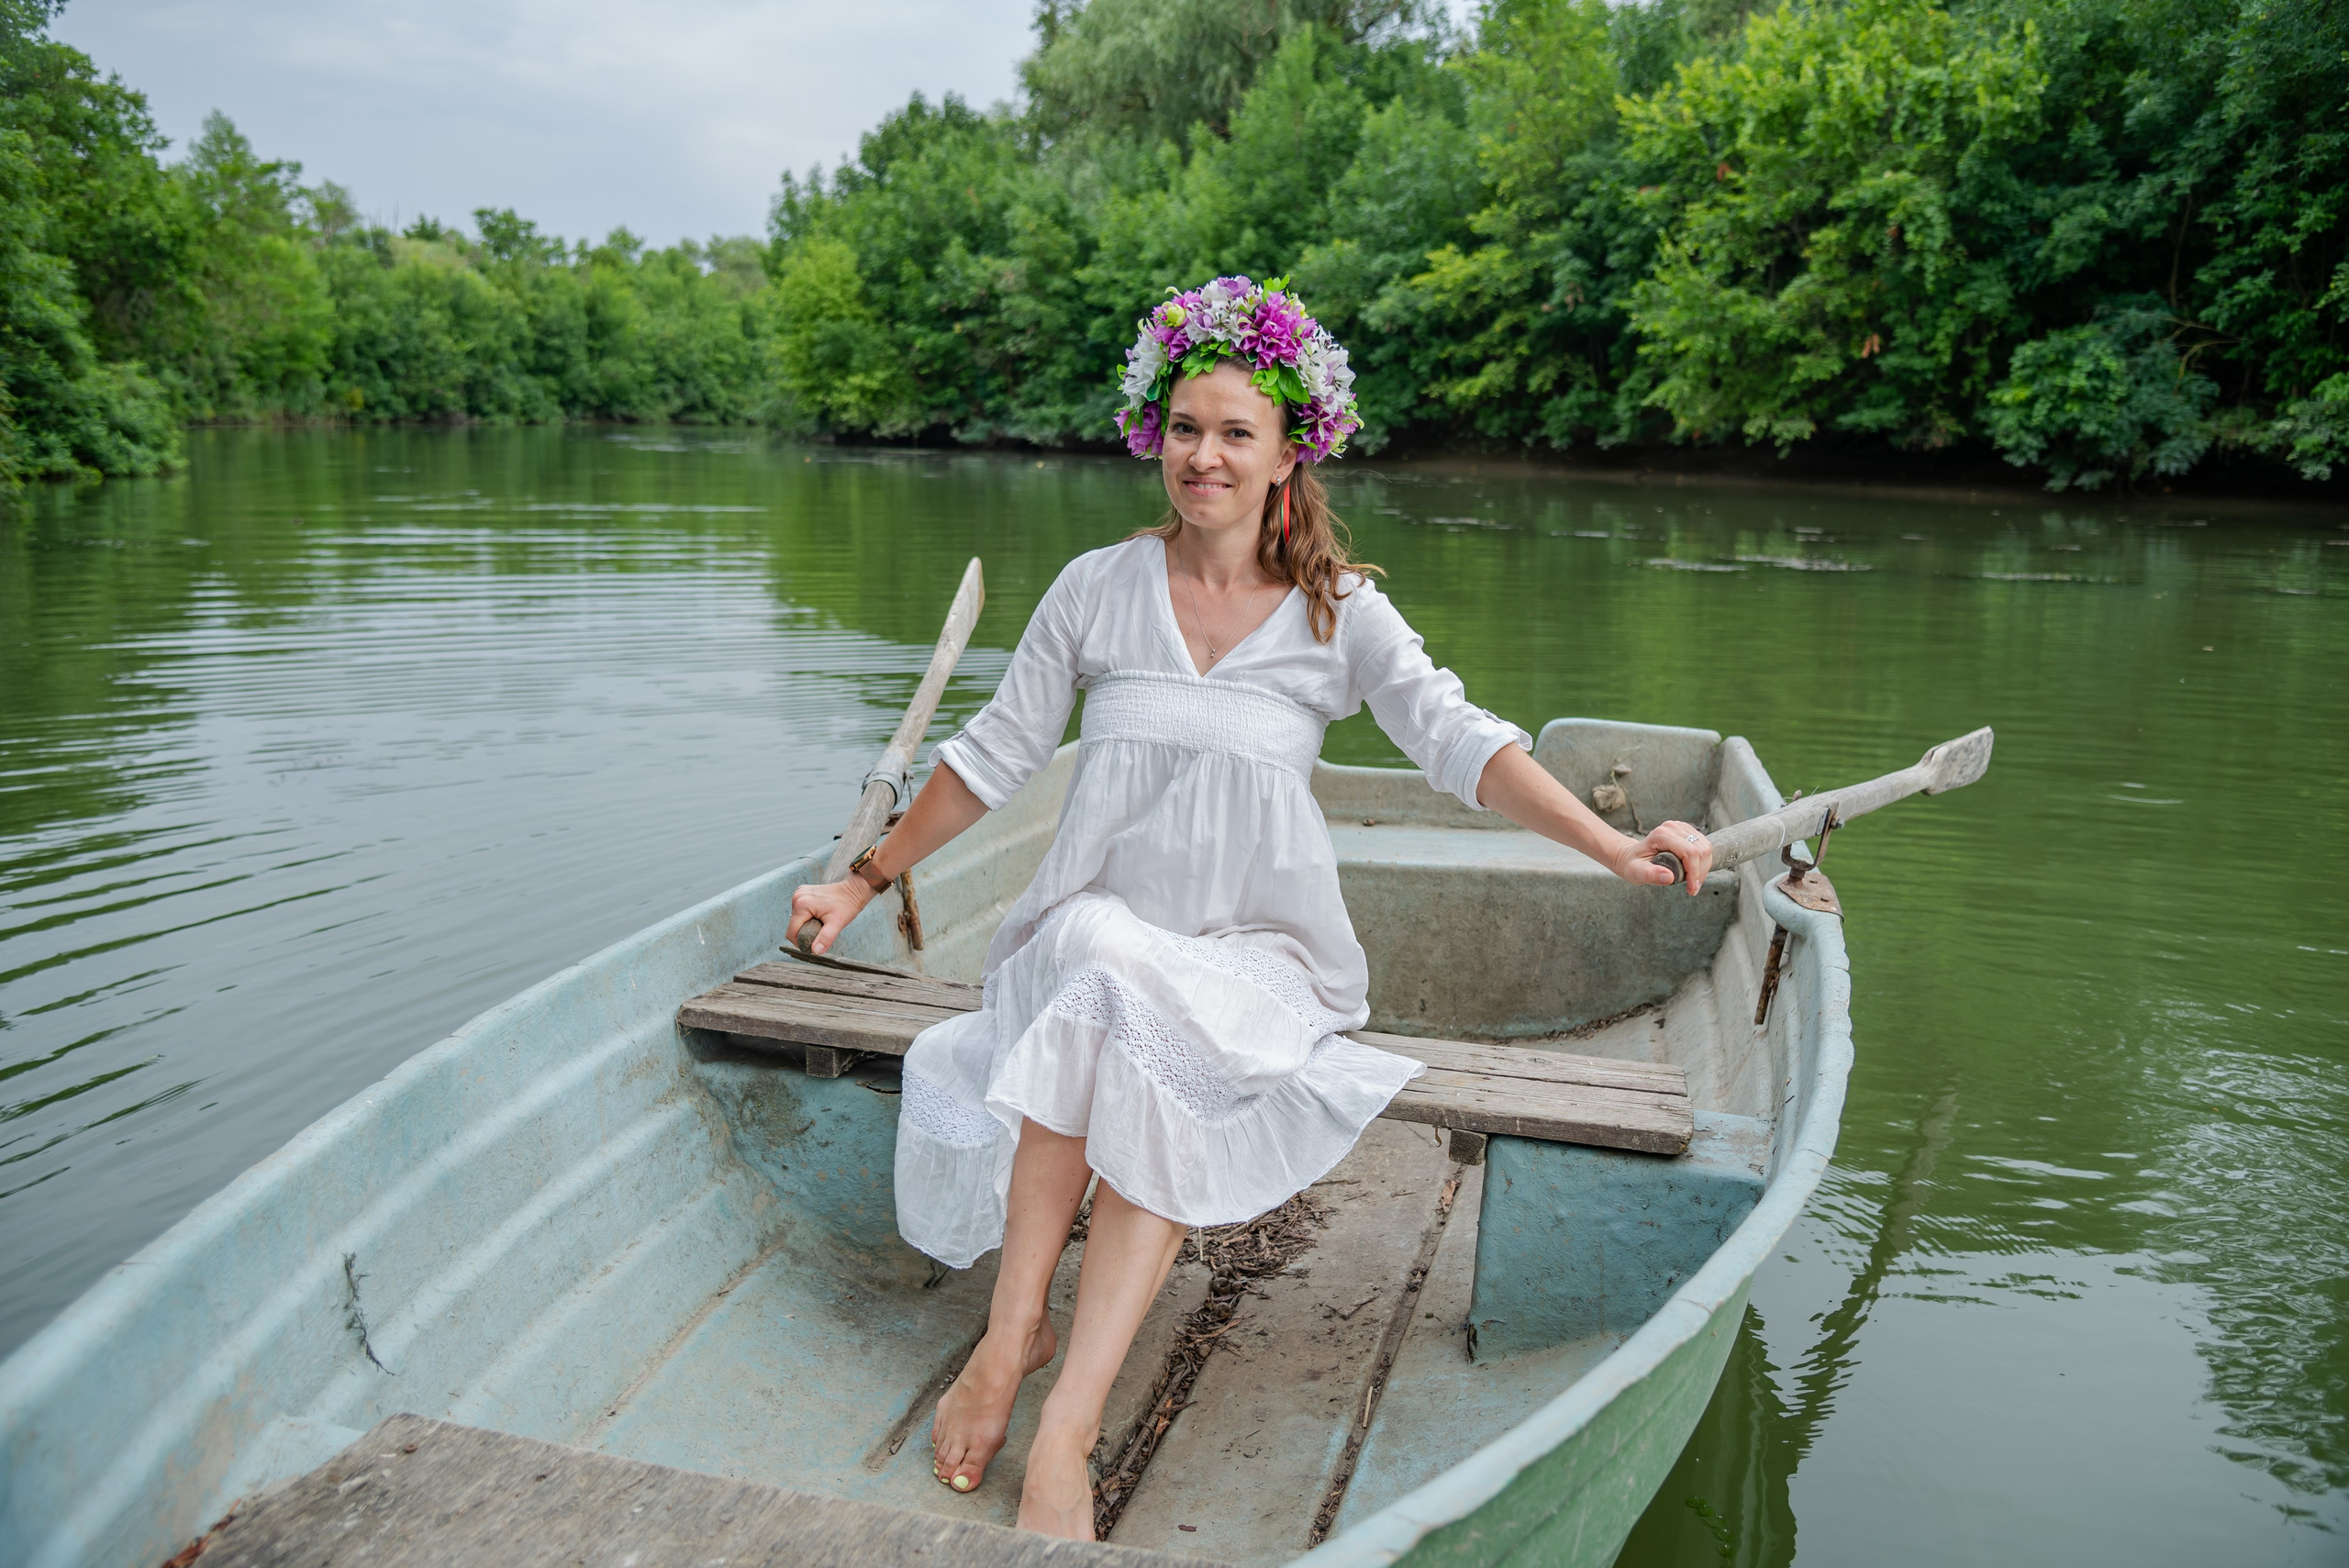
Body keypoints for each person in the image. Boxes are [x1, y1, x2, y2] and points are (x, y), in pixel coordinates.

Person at [787, 275, 1716, 1540]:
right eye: (1183, 427)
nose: (1204, 455)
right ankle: (1013, 1341)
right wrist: (865, 877)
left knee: (1148, 1019)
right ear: (1151, 436)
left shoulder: (1338, 614)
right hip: (1088, 924)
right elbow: (993, 755)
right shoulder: (1097, 589)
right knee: (1107, 968)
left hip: (1258, 956)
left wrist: (1612, 842)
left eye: (1235, 431)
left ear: (1292, 452)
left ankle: (1065, 1414)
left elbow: (1463, 741)